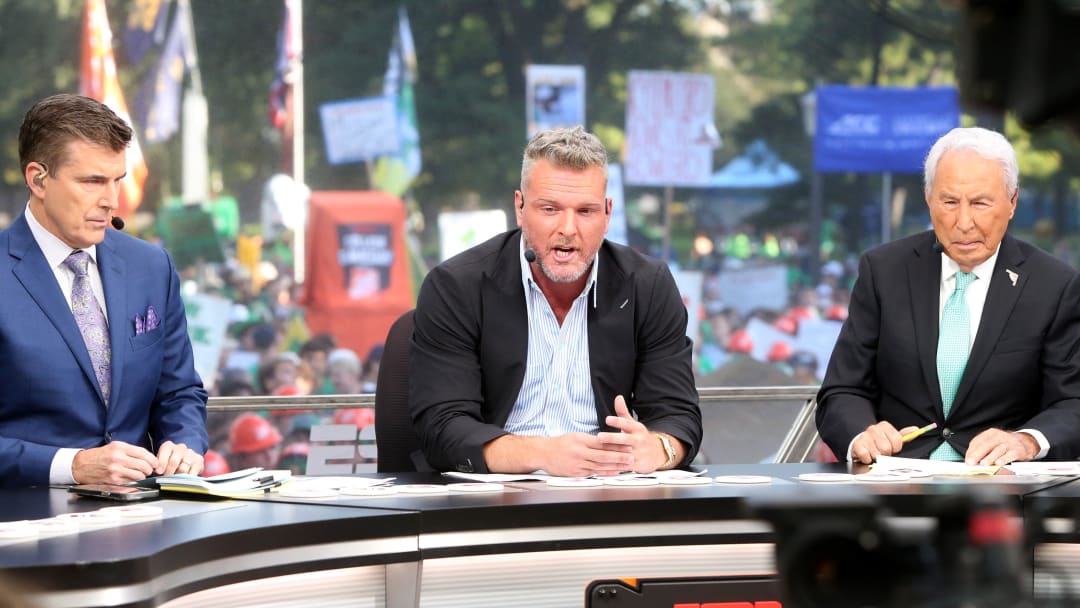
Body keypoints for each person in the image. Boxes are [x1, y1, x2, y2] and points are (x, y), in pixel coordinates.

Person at [410, 125, 701, 476]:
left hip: (606, 494)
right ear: (520, 208)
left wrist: (654, 449)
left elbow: (679, 416)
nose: (567, 228)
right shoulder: (456, 286)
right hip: (491, 500)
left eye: (585, 211)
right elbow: (441, 428)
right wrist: (542, 455)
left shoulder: (647, 286)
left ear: (607, 214)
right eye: (549, 209)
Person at [816, 127, 1080, 466]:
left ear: (1012, 201)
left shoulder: (1054, 285)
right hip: (896, 482)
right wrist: (861, 434)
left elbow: (1073, 402)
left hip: (1000, 489)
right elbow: (842, 390)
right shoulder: (883, 271)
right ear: (928, 200)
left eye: (980, 203)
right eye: (949, 202)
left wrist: (1026, 442)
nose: (964, 222)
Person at [0, 94, 208, 488]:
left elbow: (180, 391)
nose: (111, 201)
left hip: (145, 518)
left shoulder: (152, 267)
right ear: (37, 179)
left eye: (118, 180)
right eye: (92, 181)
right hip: (23, 526)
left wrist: (183, 443)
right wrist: (71, 466)